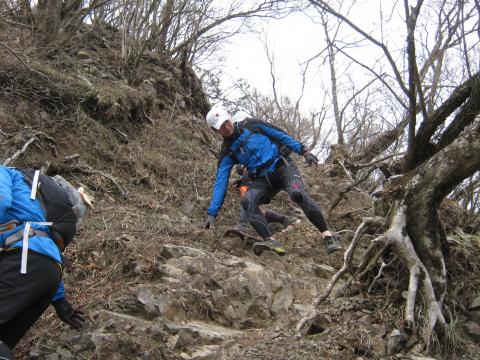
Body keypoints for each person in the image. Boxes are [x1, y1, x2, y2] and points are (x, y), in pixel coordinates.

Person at [204, 106, 342, 256]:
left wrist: (303, 151)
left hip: (282, 167)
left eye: (226, 122)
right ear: (215, 130)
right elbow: (221, 182)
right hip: (262, 180)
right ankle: (270, 240)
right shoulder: (227, 152)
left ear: (229, 117)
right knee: (247, 202)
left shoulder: (251, 124)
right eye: (221, 127)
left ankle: (328, 236)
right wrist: (212, 213)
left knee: (297, 194)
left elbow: (280, 135)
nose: (226, 127)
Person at [0, 165, 93, 353]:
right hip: (49, 272)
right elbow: (43, 246)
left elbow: (1, 201)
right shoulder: (33, 201)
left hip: (24, 261)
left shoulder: (4, 171)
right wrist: (59, 300)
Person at [231, 164, 299, 235]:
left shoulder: (247, 173)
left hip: (264, 187)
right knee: (257, 212)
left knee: (245, 203)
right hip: (270, 184)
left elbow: (245, 197)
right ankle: (285, 219)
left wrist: (243, 182)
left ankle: (244, 226)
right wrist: (240, 182)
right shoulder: (255, 169)